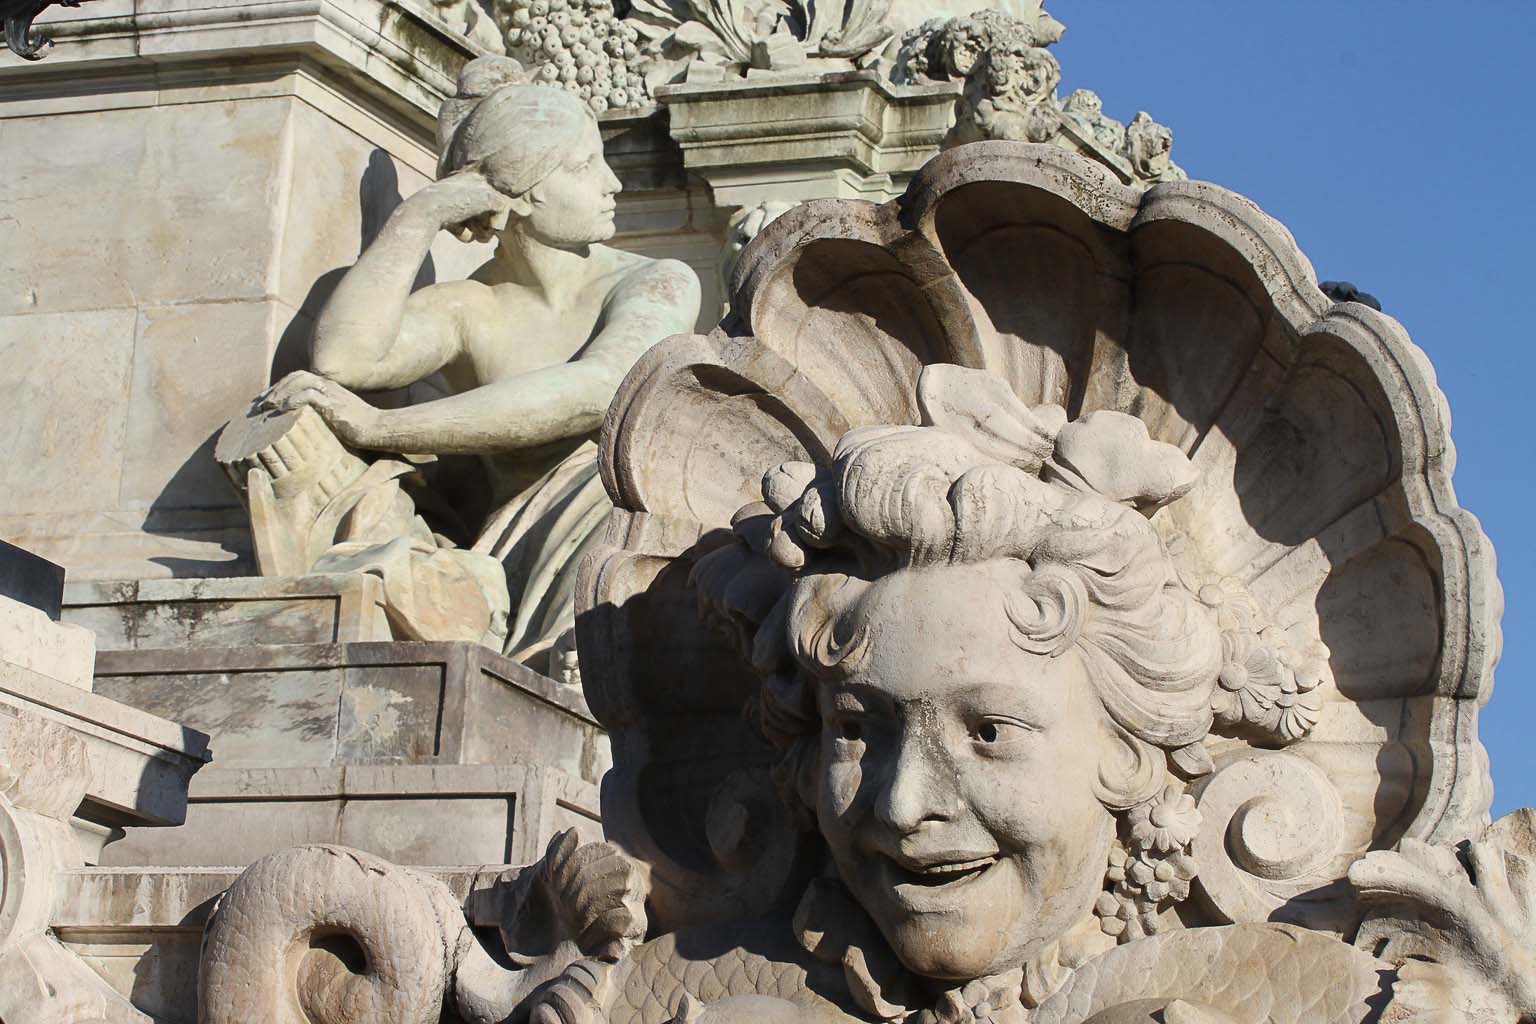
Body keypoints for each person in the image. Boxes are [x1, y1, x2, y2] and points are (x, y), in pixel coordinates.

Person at [261, 57, 702, 672]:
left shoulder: (656, 280)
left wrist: (379, 427)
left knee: (623, 486)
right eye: (583, 166)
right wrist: (419, 216)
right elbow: (341, 358)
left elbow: (601, 390)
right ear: (524, 191)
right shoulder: (470, 307)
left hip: (612, 520)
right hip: (506, 544)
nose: (613, 184)